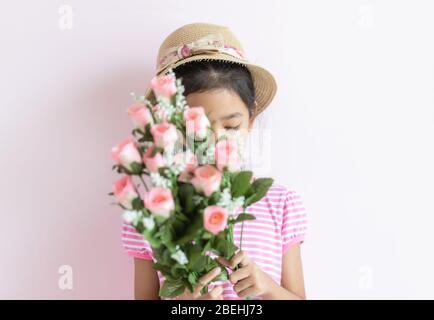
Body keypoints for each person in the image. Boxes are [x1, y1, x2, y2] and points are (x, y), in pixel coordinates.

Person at [121, 22, 308, 300]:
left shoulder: (279, 205)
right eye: (197, 129)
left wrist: (268, 287)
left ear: (251, 120)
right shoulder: (153, 213)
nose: (215, 141)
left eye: (231, 127)